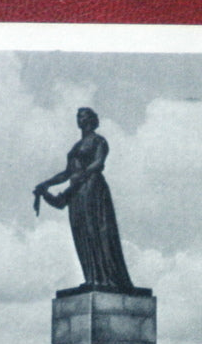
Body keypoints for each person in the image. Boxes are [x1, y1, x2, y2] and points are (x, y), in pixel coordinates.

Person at [33, 108, 135, 292]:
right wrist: (45, 184)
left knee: (94, 230)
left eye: (83, 116)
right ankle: (91, 277)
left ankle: (103, 278)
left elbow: (99, 163)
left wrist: (82, 177)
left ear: (92, 120)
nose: (79, 119)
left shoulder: (98, 141)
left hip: (92, 189)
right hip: (77, 192)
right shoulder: (76, 146)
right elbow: (67, 173)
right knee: (81, 233)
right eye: (78, 116)